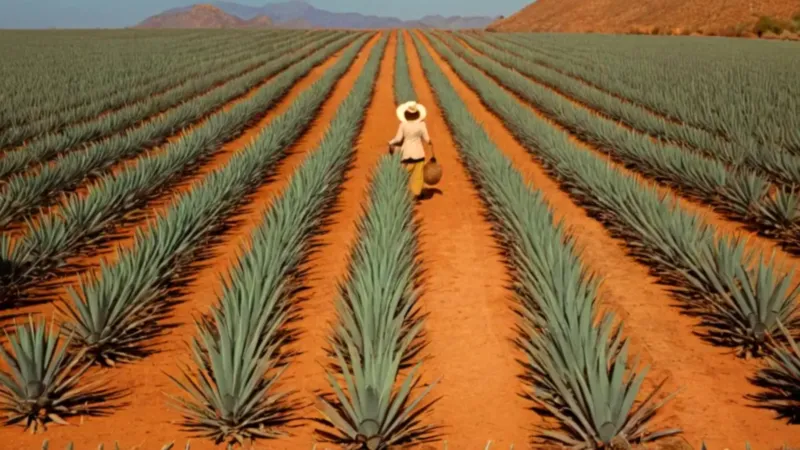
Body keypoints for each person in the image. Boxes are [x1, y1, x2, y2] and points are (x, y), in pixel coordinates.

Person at [388, 101, 433, 200]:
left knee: (405, 173)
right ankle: (416, 194)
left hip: (406, 153)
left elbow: (398, 139)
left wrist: (390, 142)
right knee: (418, 175)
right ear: (417, 114)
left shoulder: (403, 125)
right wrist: (430, 142)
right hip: (418, 153)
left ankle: (403, 192)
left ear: (406, 114)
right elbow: (427, 139)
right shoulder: (422, 125)